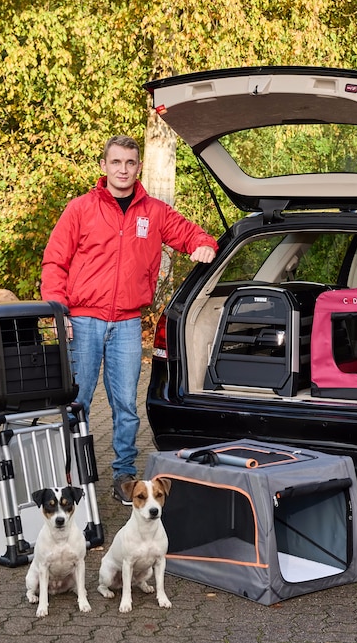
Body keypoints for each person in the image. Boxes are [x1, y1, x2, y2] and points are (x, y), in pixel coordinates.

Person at [41, 135, 217, 504]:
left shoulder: (154, 212)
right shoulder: (80, 209)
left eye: (130, 163)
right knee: (76, 403)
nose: (123, 169)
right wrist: (59, 312)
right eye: (116, 162)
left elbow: (191, 234)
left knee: (126, 406)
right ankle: (69, 473)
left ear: (138, 167)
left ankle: (123, 475)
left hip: (127, 323)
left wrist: (204, 245)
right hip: (82, 321)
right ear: (103, 166)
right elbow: (55, 262)